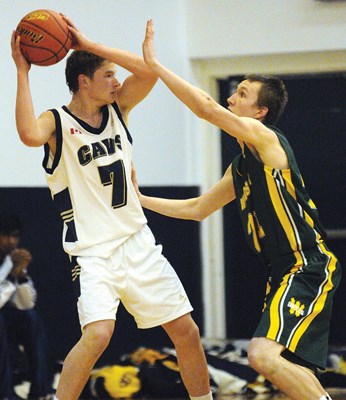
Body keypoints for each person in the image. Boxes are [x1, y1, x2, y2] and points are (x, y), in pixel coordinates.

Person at [132, 19, 342, 400]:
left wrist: (157, 67)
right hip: (282, 270)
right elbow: (197, 208)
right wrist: (140, 199)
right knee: (283, 362)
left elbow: (206, 108)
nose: (231, 99)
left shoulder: (267, 140)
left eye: (241, 94)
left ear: (259, 112)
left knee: (261, 355)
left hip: (307, 263)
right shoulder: (242, 165)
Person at [11, 15, 212, 400]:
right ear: (84, 81)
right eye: (108, 75)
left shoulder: (119, 109)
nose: (118, 82)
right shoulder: (56, 122)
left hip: (137, 241)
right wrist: (23, 71)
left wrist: (89, 44)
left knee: (186, 331)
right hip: (92, 252)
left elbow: (148, 72)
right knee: (99, 335)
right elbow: (26, 134)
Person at [0, 211, 53, 400]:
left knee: (31, 319)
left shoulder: (10, 260)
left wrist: (20, 274)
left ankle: (41, 391)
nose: (11, 242)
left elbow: (26, 303)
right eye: (5, 236)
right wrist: (11, 276)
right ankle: (4, 394)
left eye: (14, 236)